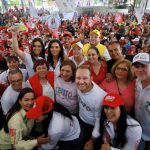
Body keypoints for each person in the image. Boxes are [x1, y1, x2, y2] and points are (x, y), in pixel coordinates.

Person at [75, 65, 107, 145]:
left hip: (92, 126)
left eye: (85, 78)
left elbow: (99, 121)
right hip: (81, 119)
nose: (81, 82)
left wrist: (92, 139)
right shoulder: (78, 86)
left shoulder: (99, 97)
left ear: (91, 78)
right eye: (78, 78)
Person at [132, 53, 150, 150]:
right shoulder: (136, 82)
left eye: (144, 66)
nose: (139, 70)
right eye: (137, 66)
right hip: (138, 133)